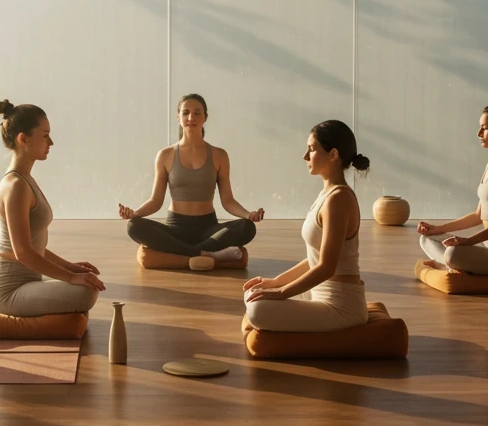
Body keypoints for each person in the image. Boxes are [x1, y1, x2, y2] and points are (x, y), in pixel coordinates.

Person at [242, 120, 369, 332]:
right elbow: (315, 258)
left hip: (340, 306)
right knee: (254, 292)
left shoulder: (339, 200)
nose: (305, 156)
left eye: (311, 149)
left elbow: (326, 267)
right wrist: (275, 282)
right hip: (318, 292)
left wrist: (282, 292)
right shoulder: (327, 194)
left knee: (257, 310)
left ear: (333, 154)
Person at [0, 100, 104, 317]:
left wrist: (71, 267)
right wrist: (70, 277)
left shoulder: (25, 180)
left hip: (27, 283)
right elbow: (24, 253)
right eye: (45, 134)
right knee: (85, 294)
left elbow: (34, 245)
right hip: (6, 293)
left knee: (85, 287)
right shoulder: (16, 186)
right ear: (23, 138)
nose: (51, 142)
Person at [119, 93, 263, 270]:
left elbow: (228, 201)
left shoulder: (219, 155)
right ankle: (207, 255)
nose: (191, 118)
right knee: (134, 226)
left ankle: (186, 254)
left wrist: (248, 215)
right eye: (186, 112)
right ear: (178, 117)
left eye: (197, 113)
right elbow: (155, 201)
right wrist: (135, 213)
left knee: (247, 228)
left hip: (208, 229)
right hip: (176, 228)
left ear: (205, 117)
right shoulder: (165, 155)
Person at [417, 103, 488, 274]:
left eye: (484, 128)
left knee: (453, 252)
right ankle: (456, 266)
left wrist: (468, 242)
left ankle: (450, 266)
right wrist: (437, 229)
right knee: (427, 239)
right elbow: (478, 215)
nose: (478, 134)